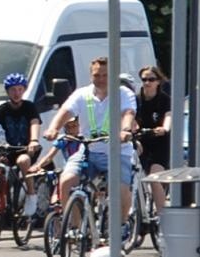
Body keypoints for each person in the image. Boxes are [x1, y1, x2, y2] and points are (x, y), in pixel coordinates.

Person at [43, 56, 137, 220]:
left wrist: (126, 130)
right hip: (88, 151)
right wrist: (53, 128)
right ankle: (76, 229)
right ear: (90, 75)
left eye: (105, 75)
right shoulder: (82, 94)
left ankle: (122, 226)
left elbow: (128, 113)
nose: (100, 79)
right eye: (96, 75)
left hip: (117, 152)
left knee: (121, 190)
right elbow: (65, 111)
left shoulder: (123, 93)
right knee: (66, 182)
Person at [0, 71, 41, 183]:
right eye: (13, 90)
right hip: (10, 150)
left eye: (19, 89)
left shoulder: (29, 106)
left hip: (28, 149)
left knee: (23, 161)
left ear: (24, 90)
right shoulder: (3, 108)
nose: (16, 93)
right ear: (8, 91)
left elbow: (34, 123)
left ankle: (31, 194)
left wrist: (34, 140)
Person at [133, 64, 173, 209]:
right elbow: (131, 117)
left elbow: (168, 116)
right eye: (144, 79)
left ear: (158, 81)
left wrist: (164, 128)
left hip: (159, 144)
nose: (147, 83)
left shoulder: (165, 99)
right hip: (141, 143)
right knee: (132, 176)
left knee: (154, 178)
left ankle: (163, 218)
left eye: (151, 79)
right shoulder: (136, 99)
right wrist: (133, 127)